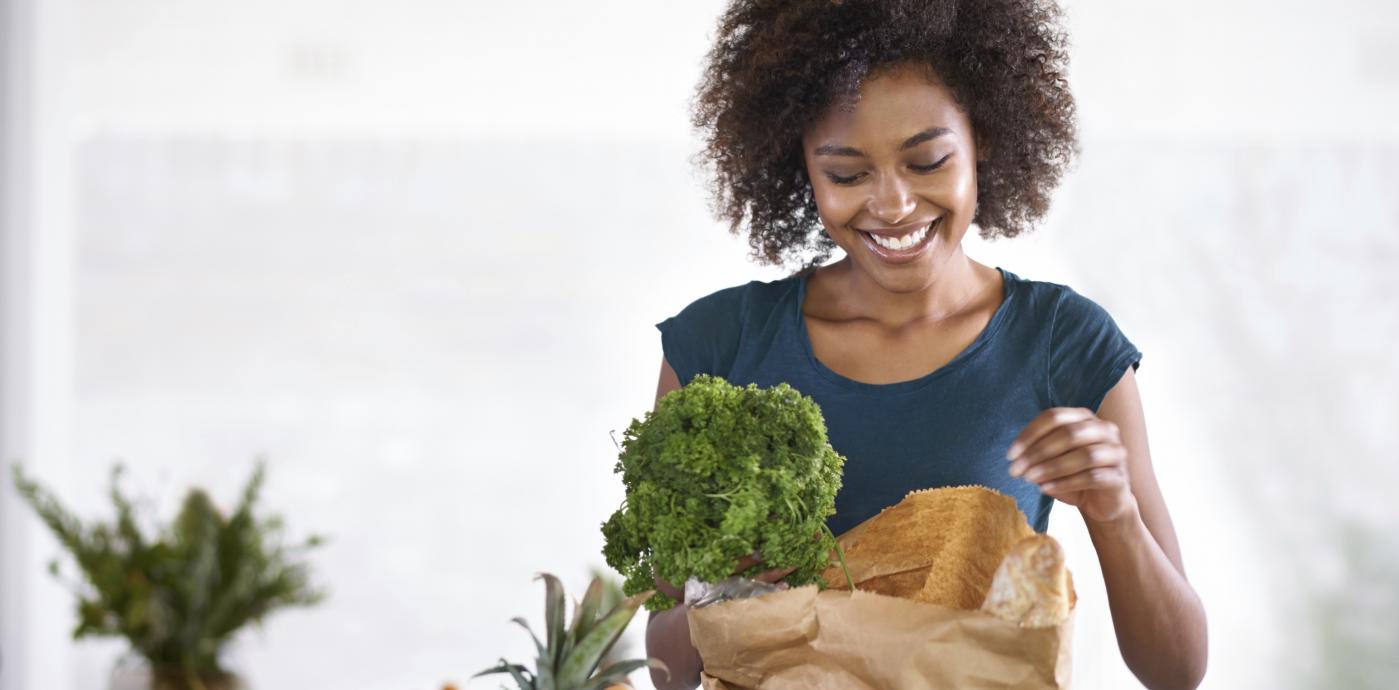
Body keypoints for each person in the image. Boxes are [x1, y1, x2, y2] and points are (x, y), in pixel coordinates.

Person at [643, 1, 1208, 689]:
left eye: (926, 161)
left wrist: (1115, 514)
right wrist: (714, 597)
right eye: (847, 175)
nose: (892, 205)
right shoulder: (718, 346)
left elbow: (1176, 671)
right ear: (800, 168)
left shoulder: (1063, 342)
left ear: (985, 141)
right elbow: (666, 671)